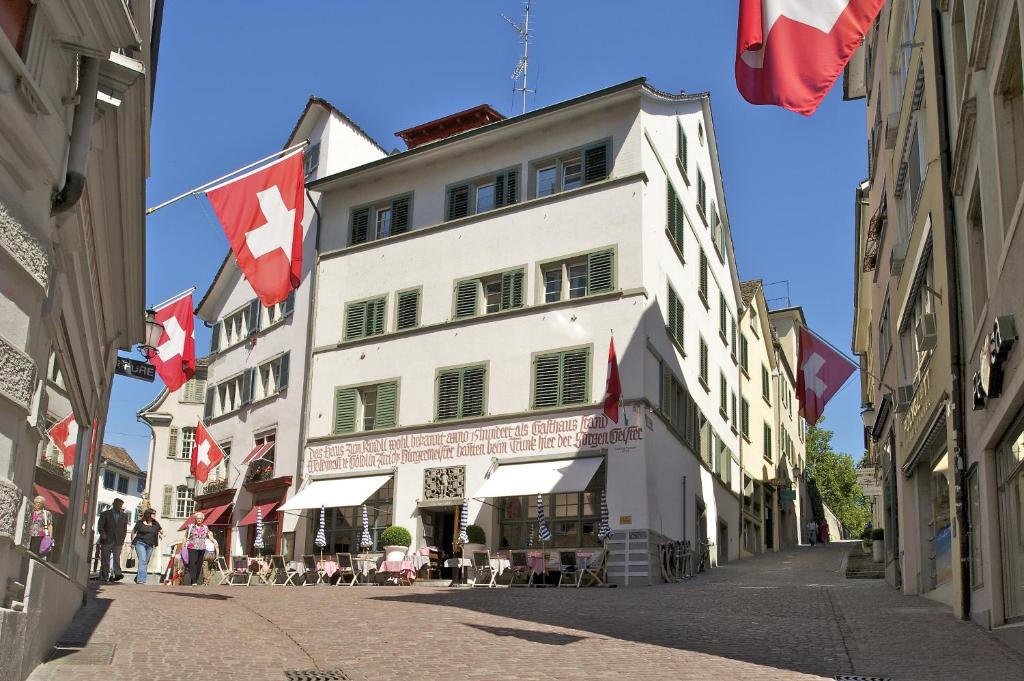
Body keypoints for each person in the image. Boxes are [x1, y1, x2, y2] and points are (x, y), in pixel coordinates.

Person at [97, 498, 129, 581]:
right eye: (118, 504)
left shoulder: (124, 516)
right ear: (113, 504)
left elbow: (124, 529)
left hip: (118, 540)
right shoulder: (105, 514)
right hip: (107, 539)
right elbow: (100, 526)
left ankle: (118, 573)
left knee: (117, 557)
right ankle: (104, 576)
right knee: (105, 559)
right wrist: (102, 533)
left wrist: (122, 539)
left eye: (121, 505)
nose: (119, 506)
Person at [130, 508, 163, 585]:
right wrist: (132, 542)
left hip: (150, 545)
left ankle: (140, 577)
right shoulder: (140, 523)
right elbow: (133, 532)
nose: (155, 515)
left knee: (145, 561)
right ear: (148, 514)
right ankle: (141, 580)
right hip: (140, 543)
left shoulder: (155, 524)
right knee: (143, 560)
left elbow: (161, 531)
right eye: (153, 514)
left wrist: (162, 534)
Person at [183, 511, 210, 586]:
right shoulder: (190, 526)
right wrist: (183, 546)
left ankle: (194, 580)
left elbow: (209, 535)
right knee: (192, 563)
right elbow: (185, 536)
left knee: (199, 564)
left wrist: (213, 540)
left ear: (203, 519)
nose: (199, 520)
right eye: (198, 518)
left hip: (202, 547)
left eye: (201, 518)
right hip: (192, 547)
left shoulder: (205, 527)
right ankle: (194, 581)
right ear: (195, 519)